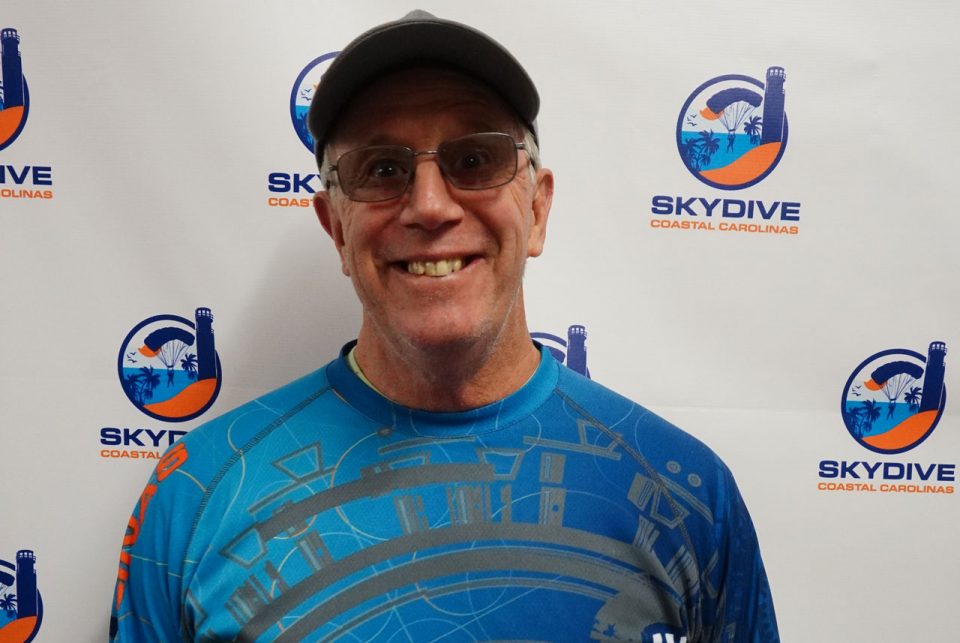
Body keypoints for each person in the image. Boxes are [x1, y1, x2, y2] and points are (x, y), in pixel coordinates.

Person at [109, 10, 779, 642]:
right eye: (382, 169)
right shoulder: (198, 494)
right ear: (336, 227)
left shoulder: (686, 492)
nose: (430, 206)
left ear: (538, 209)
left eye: (474, 159)